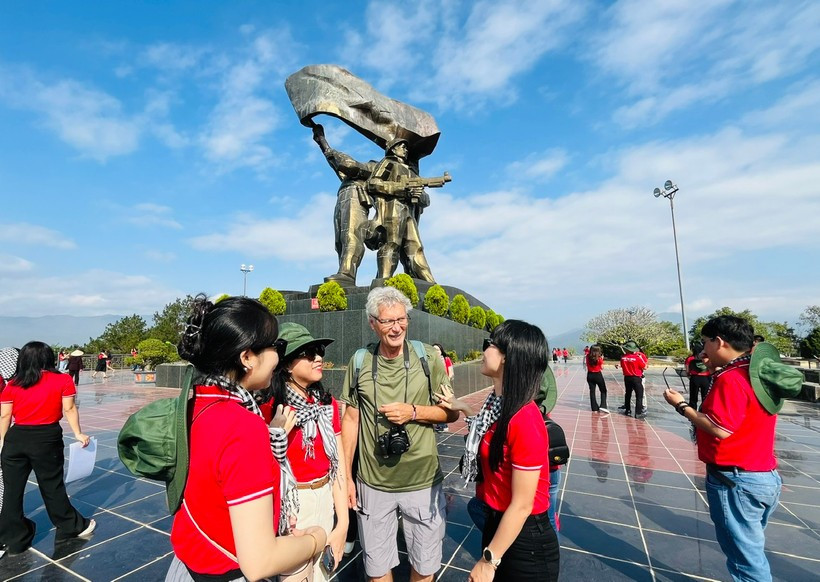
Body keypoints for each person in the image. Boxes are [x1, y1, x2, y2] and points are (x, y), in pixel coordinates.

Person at [167, 295, 327, 582]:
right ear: (247, 357)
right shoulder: (241, 426)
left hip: (189, 566)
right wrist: (316, 539)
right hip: (226, 571)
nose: (279, 357)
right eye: (276, 346)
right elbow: (259, 562)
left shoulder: (195, 404)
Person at [663, 315, 802, 582]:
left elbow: (720, 429)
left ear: (719, 342)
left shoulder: (732, 378)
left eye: (706, 342)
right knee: (751, 549)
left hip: (736, 480)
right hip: (764, 474)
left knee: (746, 563)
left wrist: (681, 406)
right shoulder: (755, 373)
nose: (704, 348)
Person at [340, 286, 456, 582]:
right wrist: (346, 479)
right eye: (388, 321)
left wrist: (413, 412)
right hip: (373, 482)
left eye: (401, 319)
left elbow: (451, 413)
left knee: (425, 564)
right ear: (372, 323)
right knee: (377, 567)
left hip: (422, 480)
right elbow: (351, 420)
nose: (396, 327)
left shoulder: (427, 358)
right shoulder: (359, 362)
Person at [440, 320, 560, 580]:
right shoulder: (496, 405)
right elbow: (485, 431)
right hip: (499, 525)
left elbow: (522, 504)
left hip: (525, 543)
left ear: (507, 357)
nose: (484, 351)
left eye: (490, 345)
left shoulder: (524, 418)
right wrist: (461, 406)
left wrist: (488, 561)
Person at [259, 323, 349, 581]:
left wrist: (342, 523)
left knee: (323, 575)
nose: (318, 357)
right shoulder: (269, 409)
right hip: (293, 506)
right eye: (308, 353)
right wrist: (276, 435)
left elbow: (338, 464)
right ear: (286, 365)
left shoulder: (325, 404)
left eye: (319, 350)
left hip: (325, 497)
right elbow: (258, 471)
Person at [0, 341, 96, 555]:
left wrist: (3, 442)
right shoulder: (62, 380)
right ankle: (71, 526)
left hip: (16, 440)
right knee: (51, 486)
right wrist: (78, 433)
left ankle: (14, 539)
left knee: (12, 491)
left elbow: (5, 415)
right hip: (46, 439)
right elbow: (69, 408)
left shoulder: (14, 383)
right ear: (49, 358)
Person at [311, 123, 377, 286]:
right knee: (340, 241)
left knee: (351, 234)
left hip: (356, 197)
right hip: (343, 197)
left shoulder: (373, 168)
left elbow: (347, 164)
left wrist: (326, 145)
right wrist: (322, 141)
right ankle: (344, 271)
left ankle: (347, 273)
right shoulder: (349, 178)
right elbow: (335, 163)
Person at [366, 138, 436, 282]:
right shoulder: (388, 163)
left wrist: (418, 195)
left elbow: (425, 199)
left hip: (408, 212)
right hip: (393, 209)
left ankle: (428, 281)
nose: (405, 149)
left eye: (406, 147)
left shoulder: (411, 172)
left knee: (415, 246)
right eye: (402, 146)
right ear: (393, 149)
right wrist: (402, 190)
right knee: (392, 244)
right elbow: (373, 184)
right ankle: (383, 279)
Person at [617, 341, 648, 419]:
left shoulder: (623, 357)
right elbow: (644, 367)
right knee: (639, 395)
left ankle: (628, 410)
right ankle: (638, 412)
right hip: (636, 378)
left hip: (627, 378)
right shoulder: (637, 358)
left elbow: (622, 365)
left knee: (628, 394)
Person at [432, 343, 455, 432]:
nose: (436, 351)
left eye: (437, 350)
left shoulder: (446, 359)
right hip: (434, 385)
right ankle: (439, 423)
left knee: (443, 404)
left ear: (441, 351)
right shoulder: (431, 360)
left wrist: (446, 383)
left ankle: (443, 425)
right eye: (434, 349)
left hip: (443, 385)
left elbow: (451, 372)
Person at [685, 342, 711, 410]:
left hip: (695, 378)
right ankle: (704, 411)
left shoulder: (690, 359)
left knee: (693, 397)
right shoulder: (707, 357)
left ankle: (692, 412)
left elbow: (687, 371)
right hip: (706, 378)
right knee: (705, 397)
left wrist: (689, 376)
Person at [586, 345, 609, 413]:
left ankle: (594, 408)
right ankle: (603, 405)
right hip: (598, 375)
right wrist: (602, 359)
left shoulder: (588, 356)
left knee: (592, 391)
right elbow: (602, 367)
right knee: (603, 390)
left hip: (590, 375)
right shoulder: (599, 359)